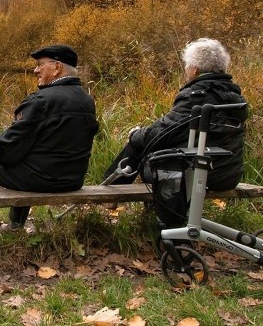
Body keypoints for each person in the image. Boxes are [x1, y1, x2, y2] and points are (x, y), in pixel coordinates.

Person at [102, 38, 248, 226]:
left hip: (196, 174)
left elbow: (162, 133)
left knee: (140, 142)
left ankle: (110, 193)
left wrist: (135, 134)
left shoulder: (196, 94)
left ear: (194, 69)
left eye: (187, 65)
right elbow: (176, 130)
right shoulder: (235, 97)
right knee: (152, 143)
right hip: (228, 173)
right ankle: (117, 197)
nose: (186, 69)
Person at [0, 44, 99, 244]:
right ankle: (15, 227)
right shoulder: (87, 100)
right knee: (28, 158)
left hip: (42, 180)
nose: (35, 70)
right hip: (72, 180)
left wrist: (1, 150)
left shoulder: (41, 100)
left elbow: (6, 149)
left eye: (40, 65)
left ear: (57, 68)